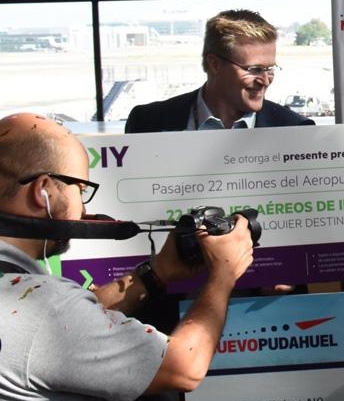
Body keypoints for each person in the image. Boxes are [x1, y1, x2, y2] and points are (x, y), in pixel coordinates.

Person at [0, 112, 254, 400]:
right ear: (43, 190)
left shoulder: (29, 301)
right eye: (80, 191)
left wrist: (156, 274)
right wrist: (223, 274)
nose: (83, 209)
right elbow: (184, 366)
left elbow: (68, 327)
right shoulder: (44, 305)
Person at [125, 9, 314, 132]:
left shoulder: (296, 129)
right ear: (214, 64)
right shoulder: (147, 123)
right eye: (255, 69)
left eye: (270, 69)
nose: (265, 80)